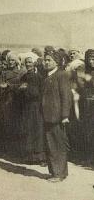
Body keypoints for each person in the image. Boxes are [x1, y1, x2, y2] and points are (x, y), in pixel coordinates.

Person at [42, 51, 71, 182]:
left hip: (57, 117)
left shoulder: (61, 75)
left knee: (58, 145)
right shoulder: (47, 76)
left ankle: (59, 173)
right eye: (45, 60)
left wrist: (65, 115)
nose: (46, 62)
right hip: (47, 116)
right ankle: (55, 172)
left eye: (49, 60)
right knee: (50, 144)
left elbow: (66, 96)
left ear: (56, 62)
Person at [19, 56, 46, 165]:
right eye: (26, 62)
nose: (28, 64)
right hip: (27, 107)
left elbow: (39, 93)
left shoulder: (39, 76)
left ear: (34, 63)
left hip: (36, 107)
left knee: (38, 130)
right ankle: (31, 157)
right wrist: (21, 89)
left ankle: (41, 158)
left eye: (30, 62)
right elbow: (21, 90)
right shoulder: (24, 76)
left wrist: (26, 88)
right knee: (29, 130)